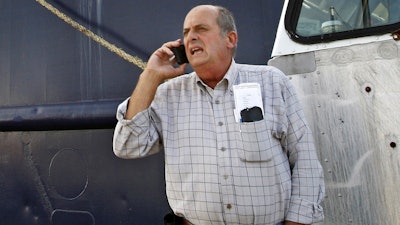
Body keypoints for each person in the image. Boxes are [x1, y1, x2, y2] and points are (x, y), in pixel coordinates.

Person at [113, 4, 325, 225]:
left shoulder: (271, 82)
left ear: (230, 39)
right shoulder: (168, 95)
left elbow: (305, 159)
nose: (191, 37)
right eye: (186, 33)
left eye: (201, 29)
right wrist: (150, 76)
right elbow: (127, 145)